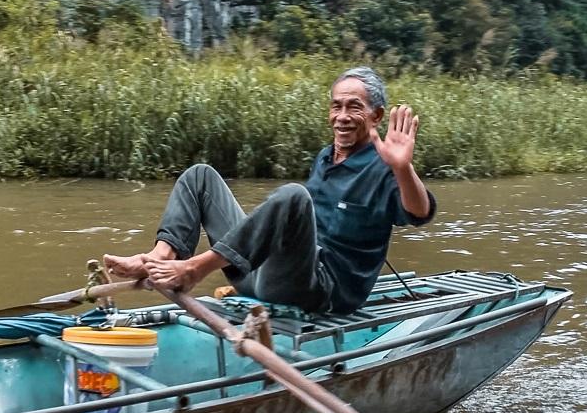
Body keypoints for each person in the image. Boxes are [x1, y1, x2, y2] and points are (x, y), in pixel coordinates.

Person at [104, 66, 435, 314]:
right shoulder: (325, 157)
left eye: (354, 107)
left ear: (376, 116)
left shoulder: (384, 167)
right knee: (199, 177)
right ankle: (158, 258)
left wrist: (403, 167)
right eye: (336, 106)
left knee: (293, 195)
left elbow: (419, 212)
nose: (342, 117)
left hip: (318, 292)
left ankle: (193, 269)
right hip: (265, 276)